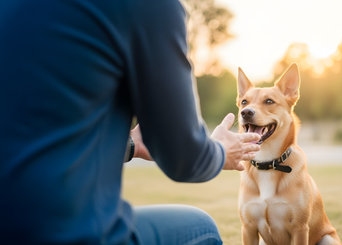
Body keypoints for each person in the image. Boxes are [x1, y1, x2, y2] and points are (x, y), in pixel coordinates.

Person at [0, 0, 260, 244]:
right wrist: (221, 151)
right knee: (201, 228)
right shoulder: (149, 6)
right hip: (61, 233)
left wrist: (131, 144)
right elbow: (185, 159)